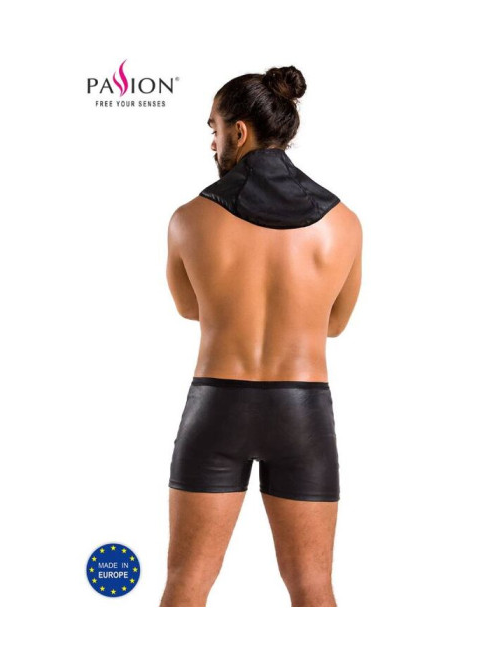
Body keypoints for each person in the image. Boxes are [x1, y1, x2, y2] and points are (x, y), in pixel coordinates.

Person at [160, 65, 362, 607]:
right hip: (303, 412)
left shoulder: (188, 219)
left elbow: (189, 308)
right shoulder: (343, 223)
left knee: (186, 583)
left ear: (240, 131)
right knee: (313, 587)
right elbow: (335, 324)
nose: (213, 142)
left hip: (217, 406)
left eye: (214, 128)